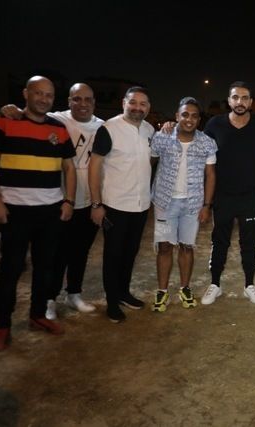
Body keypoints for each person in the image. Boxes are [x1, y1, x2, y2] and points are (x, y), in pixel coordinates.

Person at [0, 75, 76, 351]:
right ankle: (2, 326)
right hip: (15, 212)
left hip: (50, 211)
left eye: (49, 95)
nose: (44, 99)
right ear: (26, 93)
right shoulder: (5, 122)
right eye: (38, 93)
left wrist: (68, 201)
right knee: (10, 269)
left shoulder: (59, 129)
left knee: (45, 268)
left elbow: (69, 167)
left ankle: (37, 315)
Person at [0, 83, 103, 319]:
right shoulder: (57, 120)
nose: (83, 104)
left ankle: (74, 293)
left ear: (94, 102)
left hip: (89, 201)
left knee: (81, 252)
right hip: (60, 201)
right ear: (68, 101)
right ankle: (49, 299)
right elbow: (30, 113)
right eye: (77, 99)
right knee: (57, 254)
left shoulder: (102, 126)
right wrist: (11, 109)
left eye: (88, 99)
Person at [88, 86, 155, 323]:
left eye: (143, 104)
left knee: (131, 252)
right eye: (133, 102)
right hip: (115, 204)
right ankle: (112, 301)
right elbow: (94, 167)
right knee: (113, 254)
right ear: (123, 103)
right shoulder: (109, 129)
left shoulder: (149, 130)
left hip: (141, 205)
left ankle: (124, 292)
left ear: (148, 108)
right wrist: (96, 204)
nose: (137, 107)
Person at [200, 81, 255, 305]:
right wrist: (172, 126)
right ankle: (215, 284)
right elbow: (199, 145)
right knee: (220, 240)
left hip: (250, 194)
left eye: (245, 98)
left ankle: (249, 285)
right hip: (223, 194)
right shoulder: (215, 123)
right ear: (229, 101)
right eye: (235, 97)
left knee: (249, 242)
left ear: (251, 102)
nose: (240, 102)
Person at [150, 97, 217, 312]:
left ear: (199, 119)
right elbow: (149, 162)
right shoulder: (162, 137)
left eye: (194, 116)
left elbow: (210, 174)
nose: (189, 119)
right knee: (164, 246)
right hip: (164, 202)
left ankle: (185, 288)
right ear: (177, 116)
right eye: (185, 114)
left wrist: (206, 205)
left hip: (193, 205)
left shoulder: (207, 142)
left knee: (187, 246)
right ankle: (162, 291)